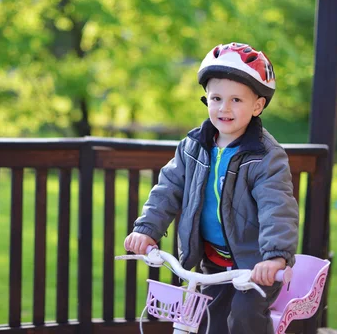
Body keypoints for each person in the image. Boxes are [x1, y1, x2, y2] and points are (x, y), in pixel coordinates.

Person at [124, 42, 299, 333]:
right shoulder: (193, 147)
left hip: (254, 265)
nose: (224, 108)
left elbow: (276, 207)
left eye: (236, 100)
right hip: (213, 262)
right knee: (209, 323)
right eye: (216, 97)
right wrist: (146, 229)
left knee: (245, 317)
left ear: (258, 105)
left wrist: (275, 256)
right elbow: (168, 189)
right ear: (206, 98)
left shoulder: (265, 156)